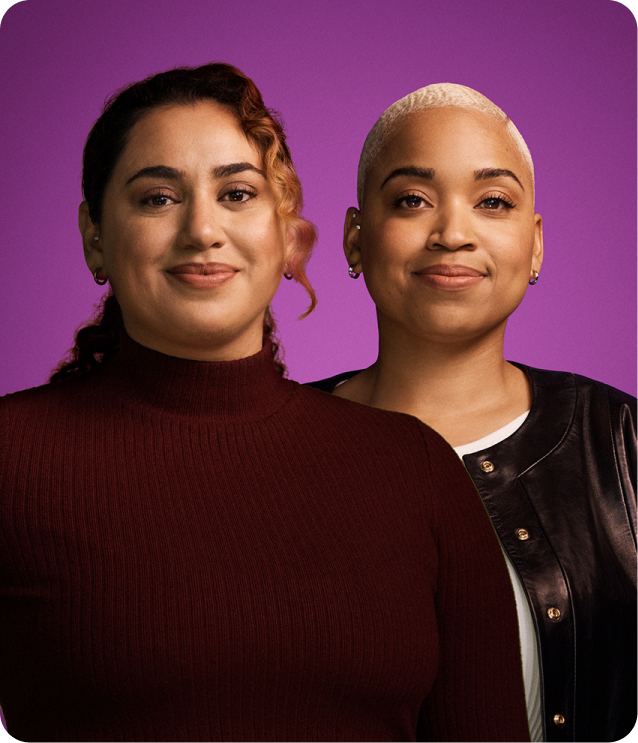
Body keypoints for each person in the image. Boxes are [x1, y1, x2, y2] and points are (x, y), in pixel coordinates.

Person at [0, 65, 531, 742]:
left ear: (287, 237)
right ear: (95, 235)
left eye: (237, 193)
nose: (202, 229)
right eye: (158, 197)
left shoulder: (417, 469)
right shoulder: (13, 459)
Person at [310, 84, 637, 742]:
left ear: (535, 244)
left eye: (493, 201)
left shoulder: (623, 441)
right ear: (355, 238)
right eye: (411, 199)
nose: (453, 233)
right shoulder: (269, 444)